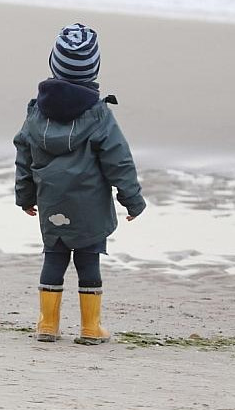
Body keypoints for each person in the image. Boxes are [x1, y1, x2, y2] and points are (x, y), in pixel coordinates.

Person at [13, 23, 146, 344]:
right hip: (89, 207)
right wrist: (132, 199)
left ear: (53, 64)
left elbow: (24, 156)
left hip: (52, 203)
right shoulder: (99, 116)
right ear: (93, 71)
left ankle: (47, 324)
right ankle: (90, 327)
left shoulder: (36, 113)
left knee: (54, 257)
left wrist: (24, 196)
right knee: (88, 260)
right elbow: (119, 160)